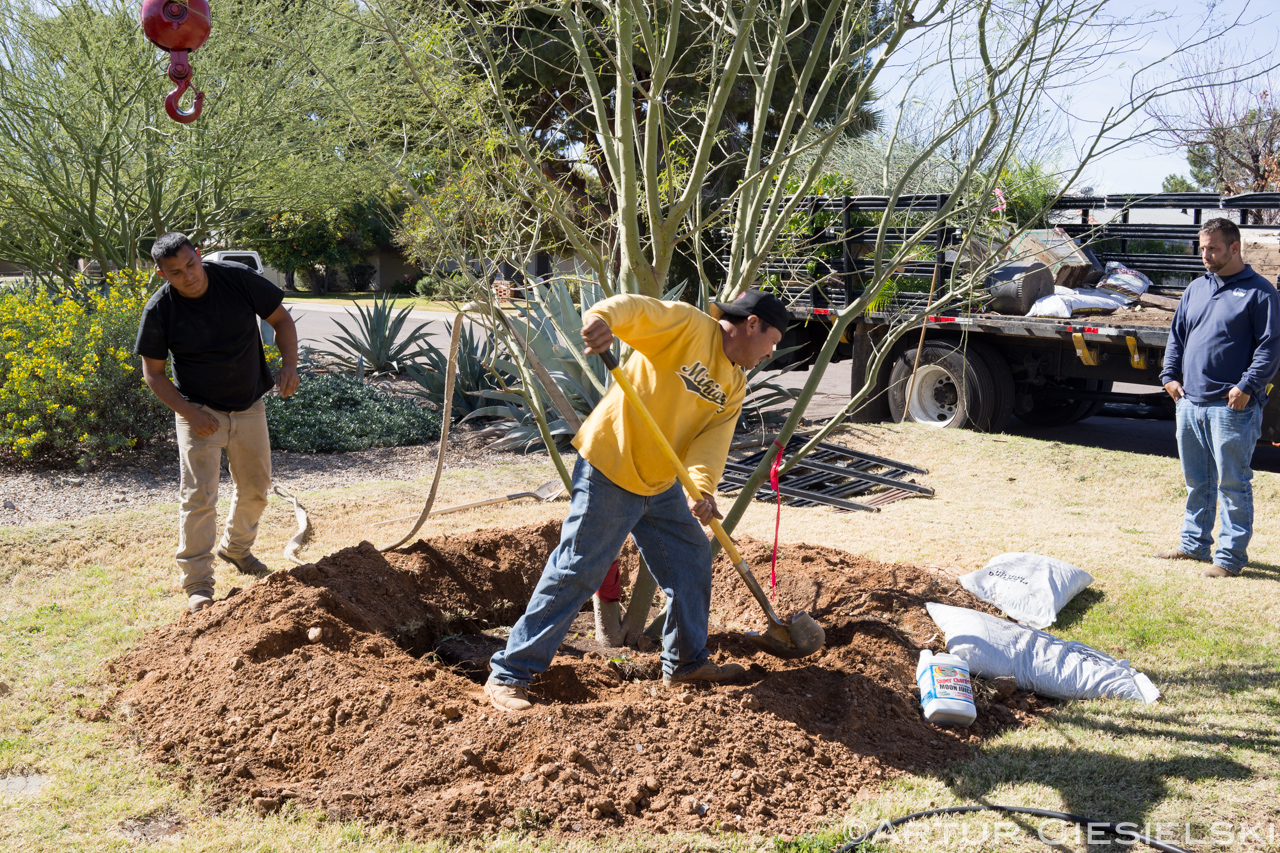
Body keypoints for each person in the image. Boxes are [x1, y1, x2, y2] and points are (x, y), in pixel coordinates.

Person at [484, 289, 788, 711]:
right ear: (752, 324)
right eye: (773, 341)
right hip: (612, 464)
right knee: (578, 568)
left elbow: (709, 446)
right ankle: (510, 673)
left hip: (660, 483)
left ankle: (684, 662)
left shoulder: (733, 385)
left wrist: (699, 489)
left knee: (691, 560)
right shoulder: (687, 325)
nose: (771, 353)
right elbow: (635, 310)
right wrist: (603, 318)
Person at [135, 232, 300, 612]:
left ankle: (236, 549)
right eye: (175, 272)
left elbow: (281, 320)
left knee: (257, 489)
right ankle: (198, 584)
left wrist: (289, 365)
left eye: (191, 264)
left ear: (199, 254)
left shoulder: (236, 278)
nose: (188, 276)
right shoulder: (160, 310)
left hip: (249, 405)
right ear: (162, 274)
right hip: (198, 412)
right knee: (198, 498)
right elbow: (154, 374)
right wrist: (191, 413)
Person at [1157, 217, 1280, 577]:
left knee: (1232, 483)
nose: (1205, 255)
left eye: (1213, 248)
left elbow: (1270, 348)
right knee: (1198, 481)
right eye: (1202, 248)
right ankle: (1194, 545)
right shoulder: (1196, 288)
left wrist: (1247, 387)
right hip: (1190, 402)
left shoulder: (1261, 292)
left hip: (1231, 408)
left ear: (1234, 247)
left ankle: (1228, 558)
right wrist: (1169, 377)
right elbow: (1176, 336)